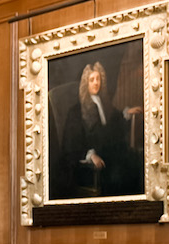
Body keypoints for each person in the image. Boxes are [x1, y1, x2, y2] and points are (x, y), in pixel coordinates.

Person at [55, 61, 143, 198]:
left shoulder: (104, 103)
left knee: (134, 162)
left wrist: (126, 113)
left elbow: (113, 121)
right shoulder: (76, 112)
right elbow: (71, 144)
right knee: (117, 177)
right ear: (86, 84)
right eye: (92, 80)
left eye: (98, 79)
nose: (96, 83)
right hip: (88, 164)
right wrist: (90, 155)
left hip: (108, 154)